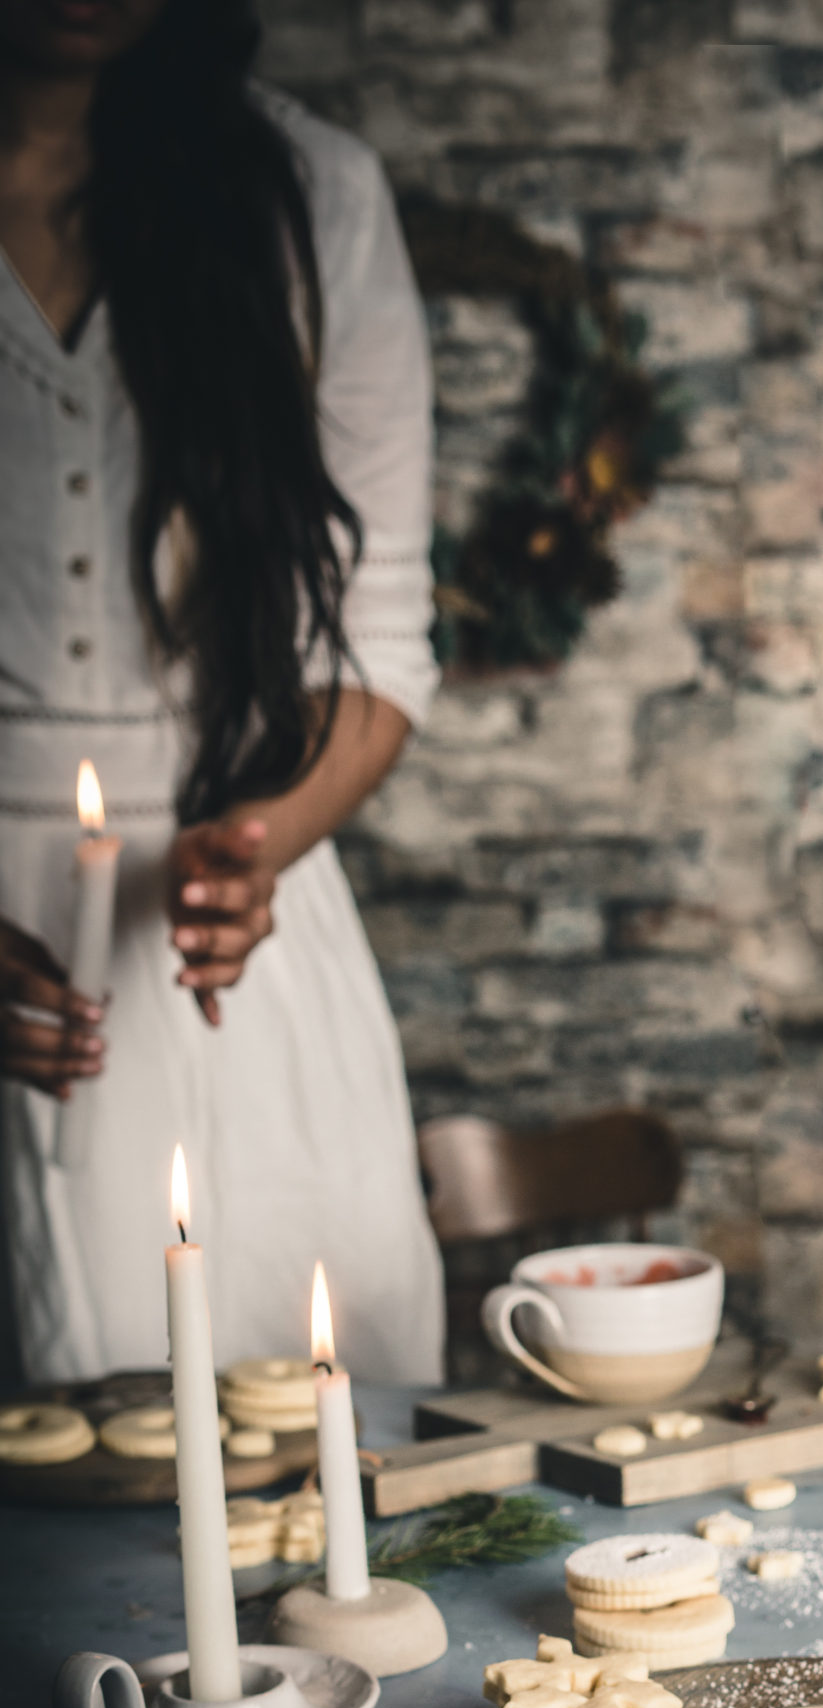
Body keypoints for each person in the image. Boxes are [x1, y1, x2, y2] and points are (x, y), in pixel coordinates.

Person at [0, 0, 444, 1382]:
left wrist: (266, 840)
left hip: (232, 941)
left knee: (309, 1457)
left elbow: (376, 641)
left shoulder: (312, 200)